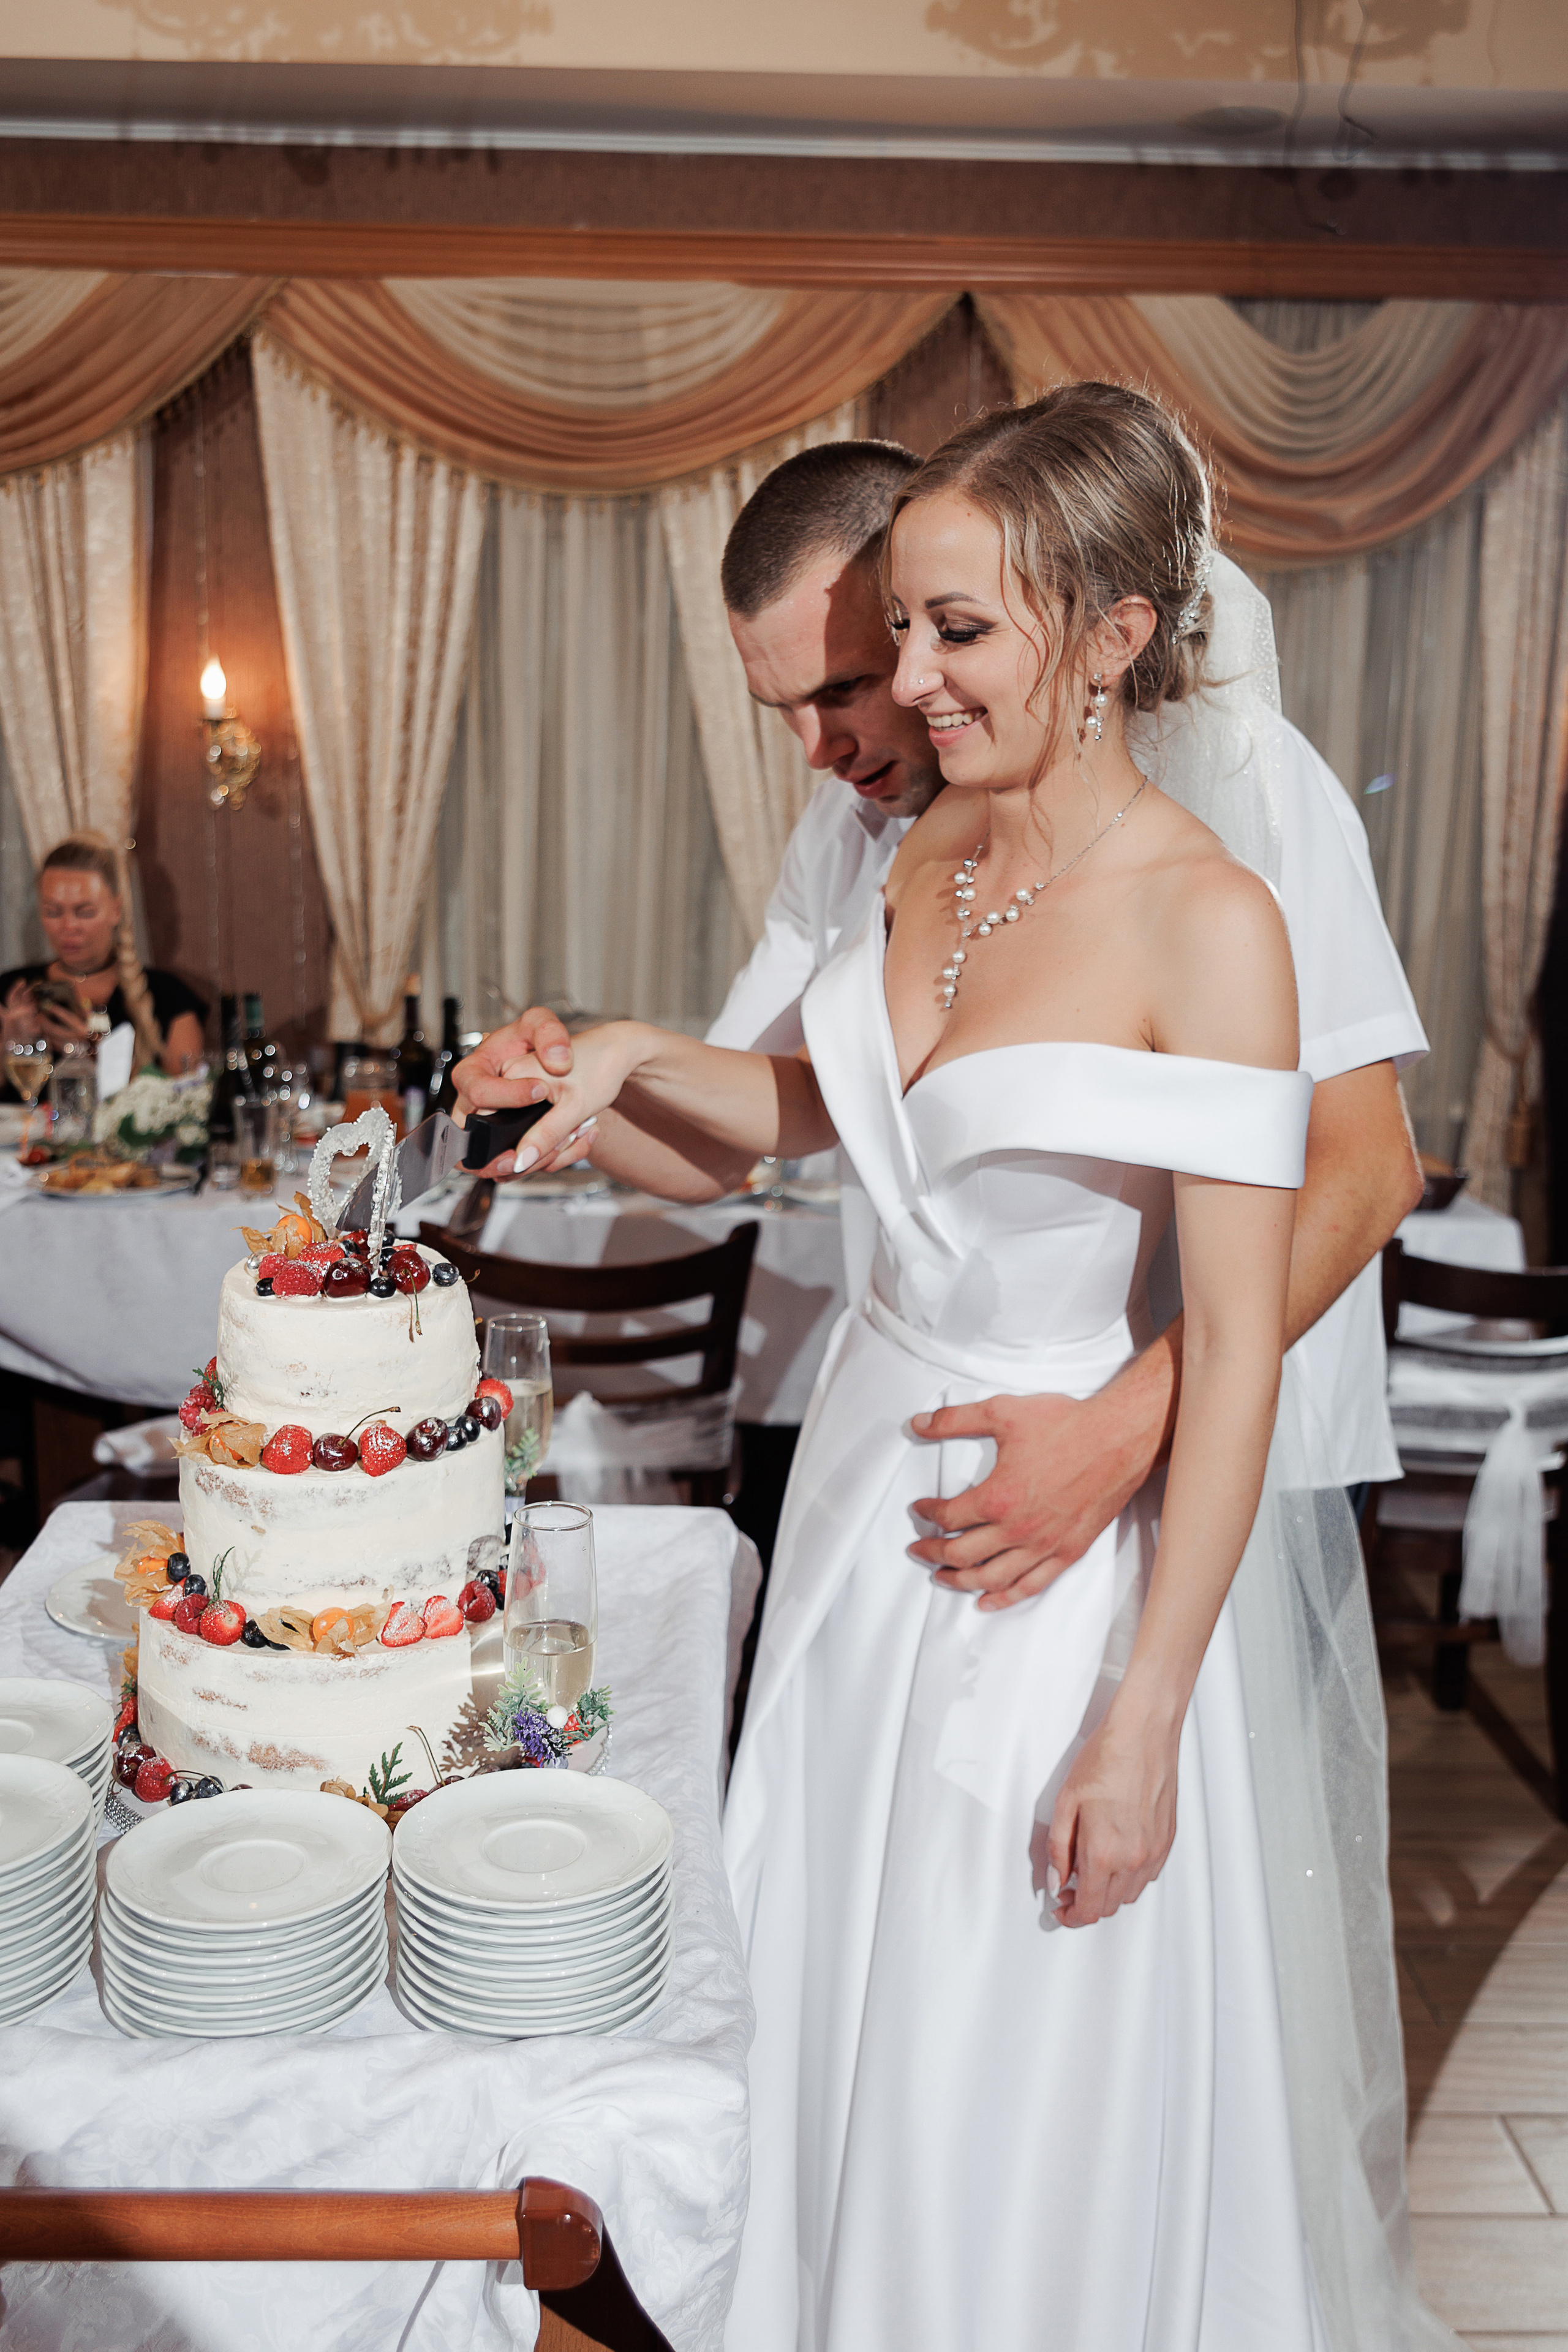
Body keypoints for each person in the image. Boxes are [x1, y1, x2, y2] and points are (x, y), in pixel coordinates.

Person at [474, 386, 1451, 2349]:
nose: (904, 686)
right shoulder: (925, 853)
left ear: (1104, 634)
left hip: (1054, 1557)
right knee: (832, 1999)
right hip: (859, 1513)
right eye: (895, 636)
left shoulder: (1215, 914)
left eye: (950, 633)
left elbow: (1248, 1332)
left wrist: (1145, 1709)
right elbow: (807, 1108)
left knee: (1003, 2046)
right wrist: (610, 1057)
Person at [454, 439, 1424, 1599]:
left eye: (847, 685)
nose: (824, 749)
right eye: (788, 708)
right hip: (940, 1429)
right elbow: (745, 1132)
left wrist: (1125, 1425)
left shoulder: (1247, 787)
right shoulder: (858, 831)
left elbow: (1368, 1170)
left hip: (1237, 1417)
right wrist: (571, 1088)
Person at [0, 832, 205, 1090]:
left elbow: (186, 1102)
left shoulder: (169, 997)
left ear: (116, 910)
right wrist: (9, 1044)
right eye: (53, 912)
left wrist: (100, 1056)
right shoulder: (11, 990)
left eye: (84, 912)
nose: (69, 926)